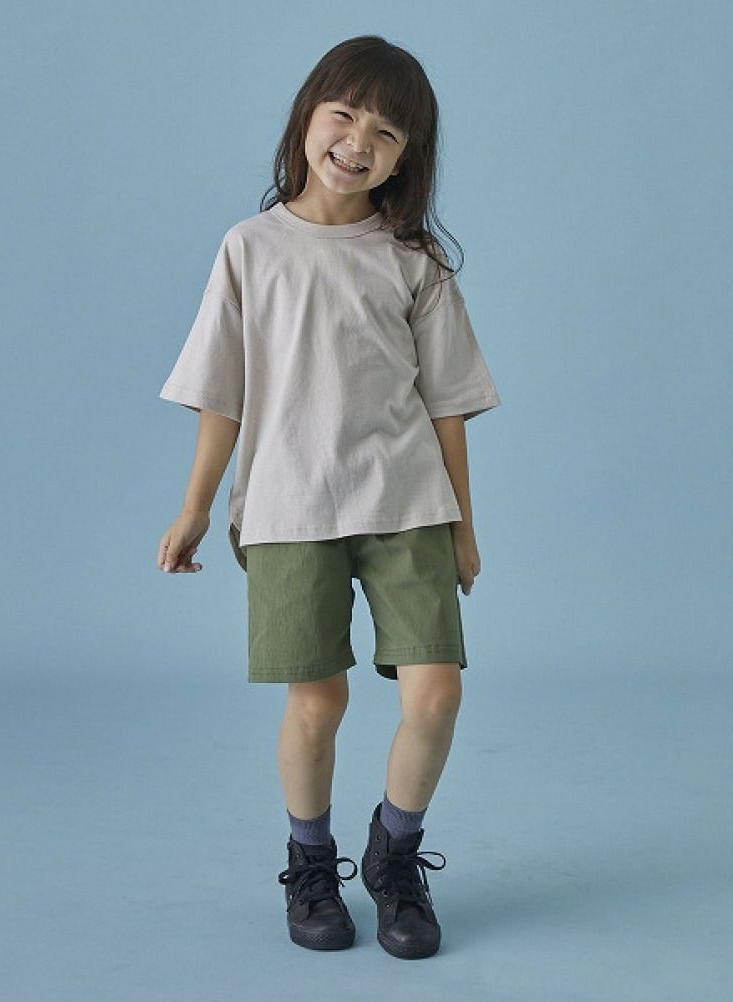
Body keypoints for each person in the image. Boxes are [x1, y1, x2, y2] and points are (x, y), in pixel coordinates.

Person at [155, 34, 501, 960]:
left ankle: (395, 856)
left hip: (407, 503)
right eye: (344, 116)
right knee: (317, 705)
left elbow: (448, 407)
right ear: (307, 117)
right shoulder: (250, 248)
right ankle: (311, 864)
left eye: (386, 133)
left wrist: (464, 526)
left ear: (407, 156)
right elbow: (223, 394)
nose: (358, 143)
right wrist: (195, 507)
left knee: (436, 694)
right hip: (288, 507)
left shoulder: (415, 261)